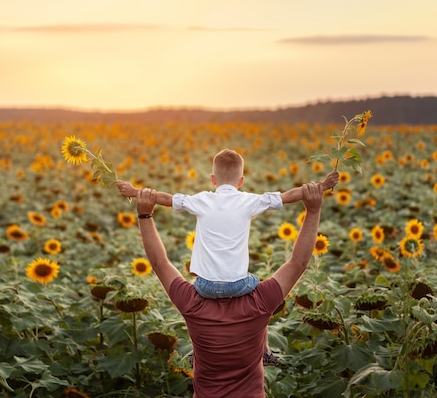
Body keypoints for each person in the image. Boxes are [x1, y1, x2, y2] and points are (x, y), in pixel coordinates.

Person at [118, 149, 338, 364]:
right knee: (259, 290)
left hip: (204, 287)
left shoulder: (201, 200)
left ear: (213, 179)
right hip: (239, 285)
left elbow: (164, 199)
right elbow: (287, 197)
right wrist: (321, 187)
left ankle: (200, 350)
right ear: (241, 181)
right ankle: (266, 351)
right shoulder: (248, 200)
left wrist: (135, 191)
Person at [134, 178, 329, 397]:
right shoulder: (260, 302)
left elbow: (160, 263)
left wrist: (145, 215)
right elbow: (298, 263)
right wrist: (313, 211)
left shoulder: (192, 303)